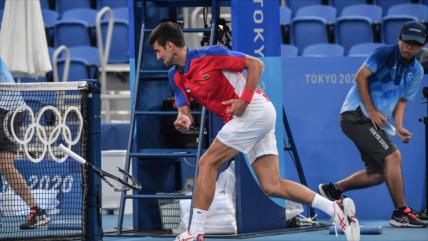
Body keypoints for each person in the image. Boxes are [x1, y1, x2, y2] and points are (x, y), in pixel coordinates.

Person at [148, 22, 360, 241]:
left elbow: (256, 64)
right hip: (251, 118)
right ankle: (336, 209)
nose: (157, 57)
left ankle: (195, 231)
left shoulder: (211, 55)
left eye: (158, 50)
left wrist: (244, 101)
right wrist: (183, 118)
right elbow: (185, 110)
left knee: (207, 163)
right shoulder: (175, 76)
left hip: (254, 111)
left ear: (170, 46)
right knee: (272, 185)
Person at [318, 21, 427, 228]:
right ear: (399, 39)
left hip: (374, 123)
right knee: (393, 156)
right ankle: (401, 212)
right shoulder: (384, 53)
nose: (409, 47)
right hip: (356, 115)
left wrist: (399, 125)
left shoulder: (416, 71)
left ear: (421, 46)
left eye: (415, 44)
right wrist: (372, 110)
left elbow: (402, 100)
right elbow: (360, 77)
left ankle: (334, 190)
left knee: (380, 173)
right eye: (406, 42)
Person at [0, 58, 50, 229]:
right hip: (12, 109)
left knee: (5, 165)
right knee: (5, 166)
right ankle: (37, 211)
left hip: (6, 108)